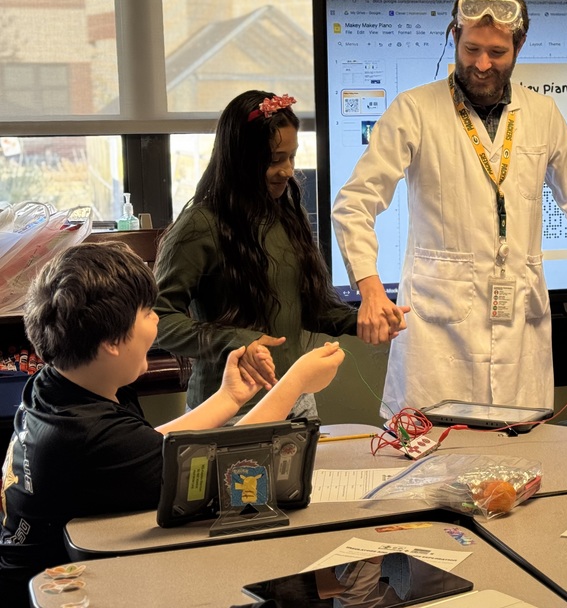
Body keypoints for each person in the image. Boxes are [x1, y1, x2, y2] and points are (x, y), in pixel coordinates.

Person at [332, 0, 567, 417]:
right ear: (454, 36)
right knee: (430, 474)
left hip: (518, 338)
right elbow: (355, 202)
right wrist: (371, 289)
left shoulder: (542, 114)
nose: (482, 64)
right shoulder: (414, 110)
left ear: (519, 46)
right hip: (436, 341)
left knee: (518, 473)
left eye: (497, 53)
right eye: (471, 49)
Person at [0, 241, 345, 604]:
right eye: (147, 312)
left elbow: (147, 444)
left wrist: (229, 398)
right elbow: (234, 463)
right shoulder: (88, 436)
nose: (157, 320)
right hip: (62, 594)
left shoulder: (55, 388)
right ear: (111, 343)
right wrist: (296, 383)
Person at [154, 90, 358, 420]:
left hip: (296, 403)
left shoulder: (288, 216)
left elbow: (306, 308)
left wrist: (361, 320)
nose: (288, 171)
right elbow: (158, 321)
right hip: (228, 411)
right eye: (275, 160)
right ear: (242, 159)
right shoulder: (200, 226)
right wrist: (238, 340)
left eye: (292, 157)